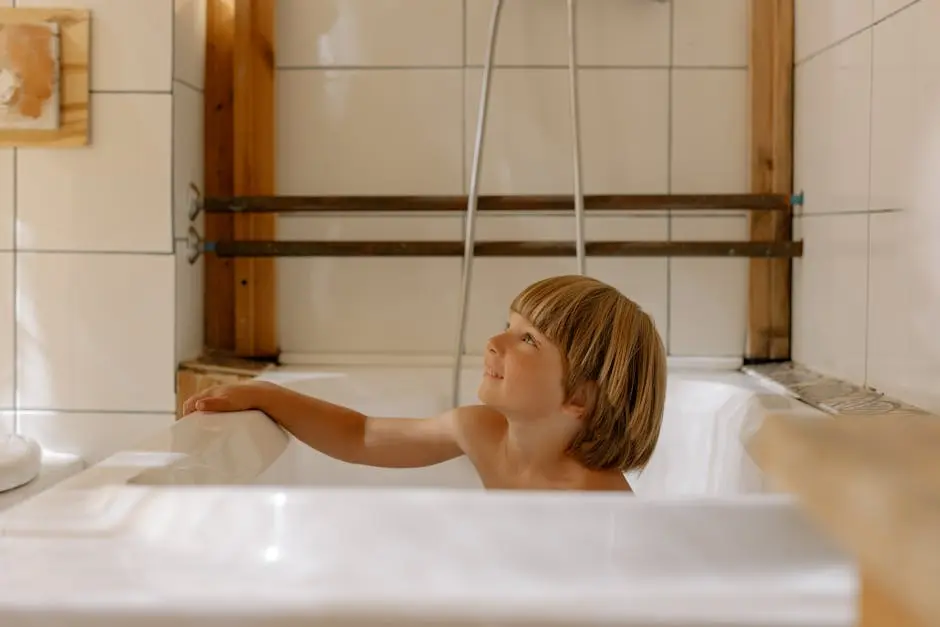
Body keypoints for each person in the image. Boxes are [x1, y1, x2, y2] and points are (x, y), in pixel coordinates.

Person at [182, 275, 667, 491]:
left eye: (529, 340)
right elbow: (361, 435)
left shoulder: (598, 507)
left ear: (579, 398)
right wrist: (267, 396)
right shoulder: (482, 432)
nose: (496, 341)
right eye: (507, 324)